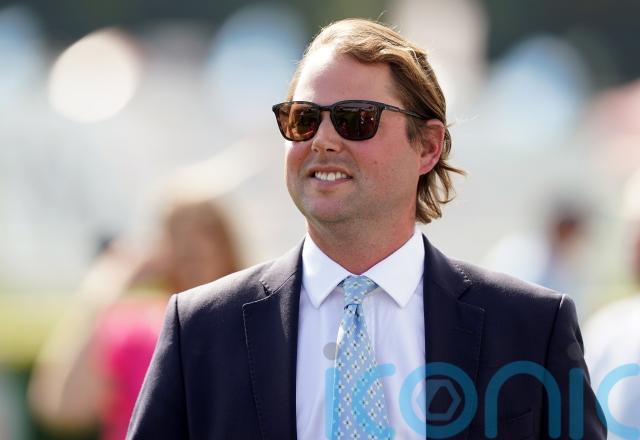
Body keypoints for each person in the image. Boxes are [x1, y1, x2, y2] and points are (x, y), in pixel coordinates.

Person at [127, 18, 605, 439]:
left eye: (356, 120)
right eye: (303, 119)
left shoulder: (531, 327)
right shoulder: (201, 329)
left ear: (428, 146)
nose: (322, 140)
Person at [29, 194, 241, 440]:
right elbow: (63, 408)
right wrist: (108, 284)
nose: (190, 244)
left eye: (205, 229)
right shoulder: (133, 329)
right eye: (176, 232)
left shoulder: (251, 322)